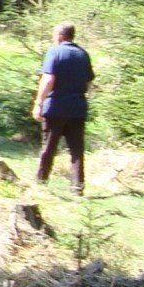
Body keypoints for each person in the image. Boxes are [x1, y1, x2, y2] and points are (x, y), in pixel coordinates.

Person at [33, 22, 95, 195]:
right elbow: (88, 82)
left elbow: (48, 80)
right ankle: (77, 188)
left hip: (56, 107)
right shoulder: (83, 54)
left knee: (49, 148)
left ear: (60, 36)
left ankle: (40, 182)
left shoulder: (55, 52)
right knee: (76, 150)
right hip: (77, 108)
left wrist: (38, 102)